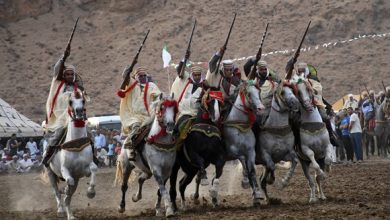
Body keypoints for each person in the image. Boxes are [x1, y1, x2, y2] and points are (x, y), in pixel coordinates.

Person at [42, 47, 85, 167]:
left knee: (88, 133)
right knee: (59, 132)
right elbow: (57, 70)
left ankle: (93, 155)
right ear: (64, 75)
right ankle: (48, 155)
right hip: (61, 115)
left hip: (76, 115)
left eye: (72, 74)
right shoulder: (58, 84)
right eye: (68, 74)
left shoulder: (78, 87)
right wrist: (64, 57)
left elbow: (82, 101)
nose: (70, 76)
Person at [118, 67, 161, 161]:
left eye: (144, 75)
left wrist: (159, 100)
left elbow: (159, 95)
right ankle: (131, 148)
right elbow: (125, 77)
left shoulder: (152, 85)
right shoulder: (133, 84)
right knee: (136, 127)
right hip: (134, 116)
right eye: (140, 76)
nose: (142, 77)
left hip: (149, 115)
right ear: (136, 77)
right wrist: (128, 69)